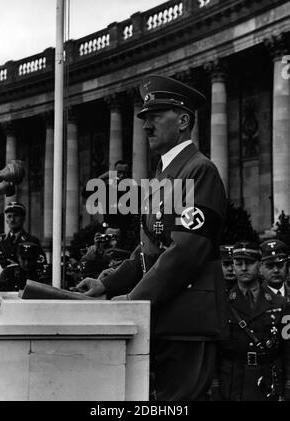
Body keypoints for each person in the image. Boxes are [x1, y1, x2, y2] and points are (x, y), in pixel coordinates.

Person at [77, 74, 227, 401]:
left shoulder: (199, 170)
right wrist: (109, 284)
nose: (146, 126)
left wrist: (134, 300)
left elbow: (186, 250)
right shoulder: (164, 175)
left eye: (156, 116)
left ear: (184, 120)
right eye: (145, 117)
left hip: (188, 322)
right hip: (165, 317)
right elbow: (147, 249)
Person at [213, 241, 290, 401]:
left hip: (268, 381)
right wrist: (215, 385)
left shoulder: (280, 304)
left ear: (260, 265)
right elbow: (214, 350)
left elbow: (288, 349)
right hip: (233, 382)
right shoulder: (222, 303)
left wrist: (288, 385)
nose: (243, 268)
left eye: (249, 263)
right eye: (238, 263)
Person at [0, 202, 46, 270]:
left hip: (23, 279)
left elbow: (41, 266)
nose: (12, 220)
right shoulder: (0, 241)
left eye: (16, 216)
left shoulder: (32, 241)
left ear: (23, 219)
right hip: (3, 279)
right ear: (6, 220)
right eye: (9, 216)